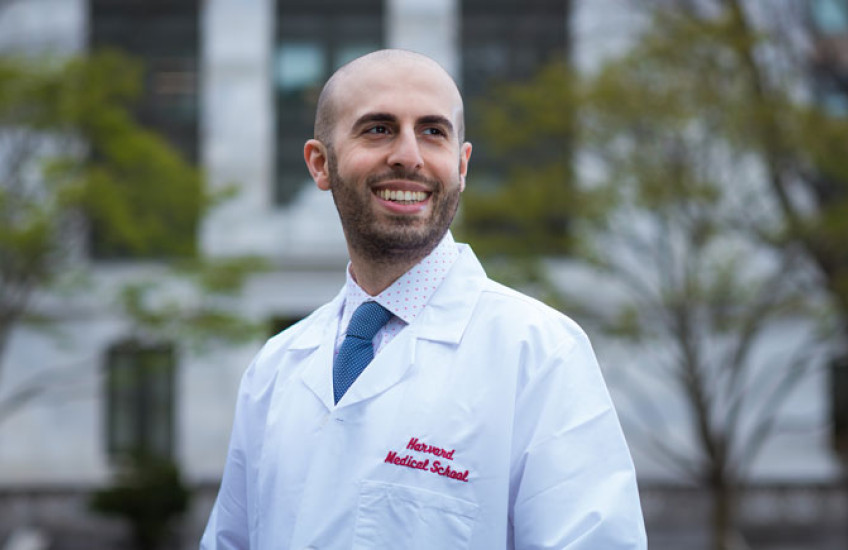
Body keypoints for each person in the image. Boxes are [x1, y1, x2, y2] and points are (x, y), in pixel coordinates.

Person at [201, 49, 646, 550]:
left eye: (433, 131)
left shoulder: (540, 354)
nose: (408, 155)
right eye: (378, 129)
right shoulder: (275, 369)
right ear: (320, 163)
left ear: (461, 164)